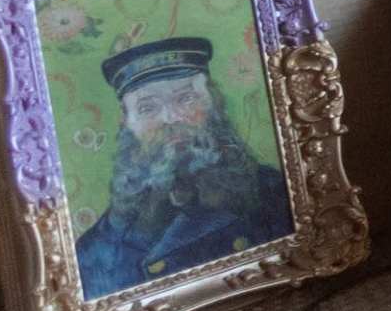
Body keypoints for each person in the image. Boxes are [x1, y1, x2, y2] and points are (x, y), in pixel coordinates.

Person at [72, 36, 293, 296]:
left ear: (213, 104)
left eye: (185, 99)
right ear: (127, 124)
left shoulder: (276, 195)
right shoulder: (96, 251)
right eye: (147, 108)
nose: (170, 118)